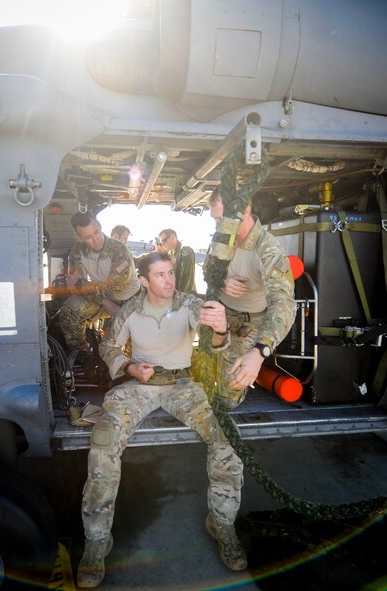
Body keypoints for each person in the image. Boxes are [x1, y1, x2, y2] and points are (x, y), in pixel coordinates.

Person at [77, 251, 246, 588]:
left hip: (183, 385)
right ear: (144, 281)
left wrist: (220, 330)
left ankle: (222, 524)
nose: (169, 280)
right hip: (139, 385)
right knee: (103, 445)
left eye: (171, 273)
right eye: (160, 275)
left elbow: (212, 335)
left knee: (226, 441)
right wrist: (128, 367)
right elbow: (109, 346)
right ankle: (97, 541)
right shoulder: (131, 309)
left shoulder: (188, 303)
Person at [205, 190, 297, 409]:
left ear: (245, 210)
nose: (219, 226)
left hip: (249, 323)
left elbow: (284, 304)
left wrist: (259, 353)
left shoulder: (267, 248)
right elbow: (208, 269)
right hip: (220, 314)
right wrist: (222, 281)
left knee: (226, 399)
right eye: (216, 220)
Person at [58, 212, 140, 353]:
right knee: (70, 309)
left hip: (129, 299)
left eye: (97, 232)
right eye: (88, 237)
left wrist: (84, 285)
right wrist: (105, 302)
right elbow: (74, 287)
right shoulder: (78, 251)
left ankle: (132, 363)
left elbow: (112, 289)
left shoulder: (119, 250)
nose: (96, 240)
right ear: (79, 238)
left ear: (100, 226)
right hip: (102, 299)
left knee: (137, 339)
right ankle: (81, 354)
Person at [155, 228, 197, 293]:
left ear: (172, 237)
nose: (162, 244)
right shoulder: (169, 254)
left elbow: (185, 278)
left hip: (186, 297)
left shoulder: (185, 251)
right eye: (161, 243)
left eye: (163, 241)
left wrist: (180, 297)